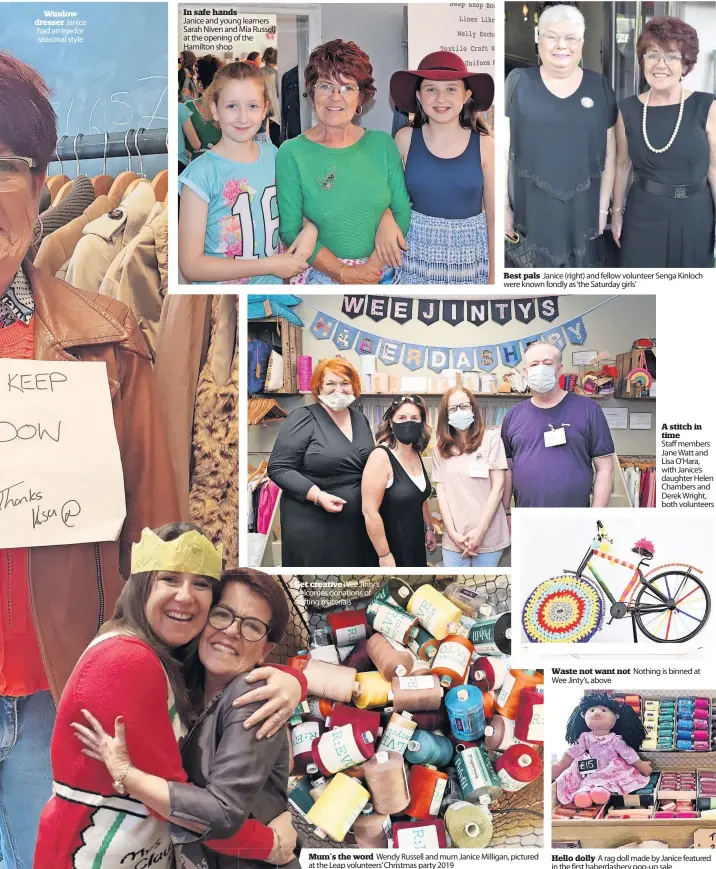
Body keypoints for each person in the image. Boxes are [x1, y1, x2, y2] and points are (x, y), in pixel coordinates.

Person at [0, 51, 178, 869]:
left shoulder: (107, 339)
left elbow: (160, 541)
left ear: (41, 187)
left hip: (62, 698)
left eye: (4, 165)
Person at [35, 526, 304, 869]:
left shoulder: (220, 681)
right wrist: (270, 844)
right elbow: (183, 806)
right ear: (143, 585)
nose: (185, 597)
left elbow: (209, 811)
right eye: (169, 579)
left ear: (266, 647)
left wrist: (293, 680)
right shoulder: (136, 661)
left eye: (201, 584)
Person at [276, 39, 412, 284]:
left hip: (381, 272)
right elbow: (290, 231)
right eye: (325, 86)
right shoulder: (291, 152)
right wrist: (344, 273)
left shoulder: (382, 145)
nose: (335, 97)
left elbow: (402, 209)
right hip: (320, 275)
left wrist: (372, 268)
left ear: (361, 97)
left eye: (347, 88)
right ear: (311, 91)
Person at [178, 61, 316, 284]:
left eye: (252, 106)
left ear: (264, 109)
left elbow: (302, 208)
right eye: (232, 106)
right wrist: (269, 265)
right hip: (227, 305)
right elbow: (191, 266)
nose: (243, 117)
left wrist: (310, 230)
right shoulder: (199, 176)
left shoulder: (274, 155)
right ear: (215, 110)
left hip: (275, 297)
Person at [505, 5, 617, 267]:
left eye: (570, 38)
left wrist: (603, 210)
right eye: (551, 36)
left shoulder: (599, 86)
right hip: (531, 211)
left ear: (581, 42)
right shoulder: (518, 82)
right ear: (537, 37)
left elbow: (611, 154)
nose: (561, 46)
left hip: (584, 212)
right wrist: (504, 210)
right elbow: (502, 151)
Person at [380, 51, 495, 283]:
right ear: (419, 96)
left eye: (451, 89)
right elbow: (385, 199)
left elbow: (493, 216)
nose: (441, 98)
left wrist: (494, 279)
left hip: (470, 258)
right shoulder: (404, 138)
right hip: (413, 255)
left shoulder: (484, 144)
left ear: (466, 96)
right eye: (431, 89)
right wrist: (385, 219)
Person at [612, 17, 716, 267]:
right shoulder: (627, 109)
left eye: (671, 56)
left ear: (686, 64)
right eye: (652, 55)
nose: (660, 65)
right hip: (643, 214)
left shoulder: (707, 106)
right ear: (642, 60)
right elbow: (622, 164)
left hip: (695, 216)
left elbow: (714, 169)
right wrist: (616, 214)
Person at [267, 358, 377, 567]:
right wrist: (318, 496)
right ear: (318, 386)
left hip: (355, 524)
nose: (339, 390)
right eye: (331, 384)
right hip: (313, 522)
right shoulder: (303, 417)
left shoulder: (360, 419)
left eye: (345, 383)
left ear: (354, 386)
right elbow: (279, 468)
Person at [500, 342, 615, 509]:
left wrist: (595, 516)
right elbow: (507, 469)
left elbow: (605, 469)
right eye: (534, 364)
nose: (540, 369)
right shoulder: (513, 415)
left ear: (559, 369)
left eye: (547, 363)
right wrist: (506, 511)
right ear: (525, 372)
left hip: (576, 521)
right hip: (528, 520)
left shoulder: (588, 409)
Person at [432, 387, 509, 567]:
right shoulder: (440, 449)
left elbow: (499, 488)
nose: (459, 412)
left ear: (473, 408)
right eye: (453, 409)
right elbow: (441, 492)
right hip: (454, 539)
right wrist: (452, 533)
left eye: (464, 406)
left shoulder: (491, 440)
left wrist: (480, 532)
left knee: (485, 590)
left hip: (489, 535)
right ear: (445, 414)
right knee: (455, 591)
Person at [361, 396, 436, 568]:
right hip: (390, 548)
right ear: (391, 423)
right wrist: (384, 555)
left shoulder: (416, 454)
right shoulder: (381, 456)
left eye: (414, 418)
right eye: (402, 418)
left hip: (414, 544)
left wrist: (429, 528)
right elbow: (369, 511)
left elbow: (419, 497)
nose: (408, 423)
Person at [184, 55, 224, 153]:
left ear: (200, 81)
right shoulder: (230, 106)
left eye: (195, 74)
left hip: (197, 163)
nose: (192, 76)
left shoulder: (188, 108)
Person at [262, 47, 281, 147]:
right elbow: (279, 94)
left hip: (262, 111)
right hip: (274, 112)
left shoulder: (258, 73)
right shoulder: (277, 74)